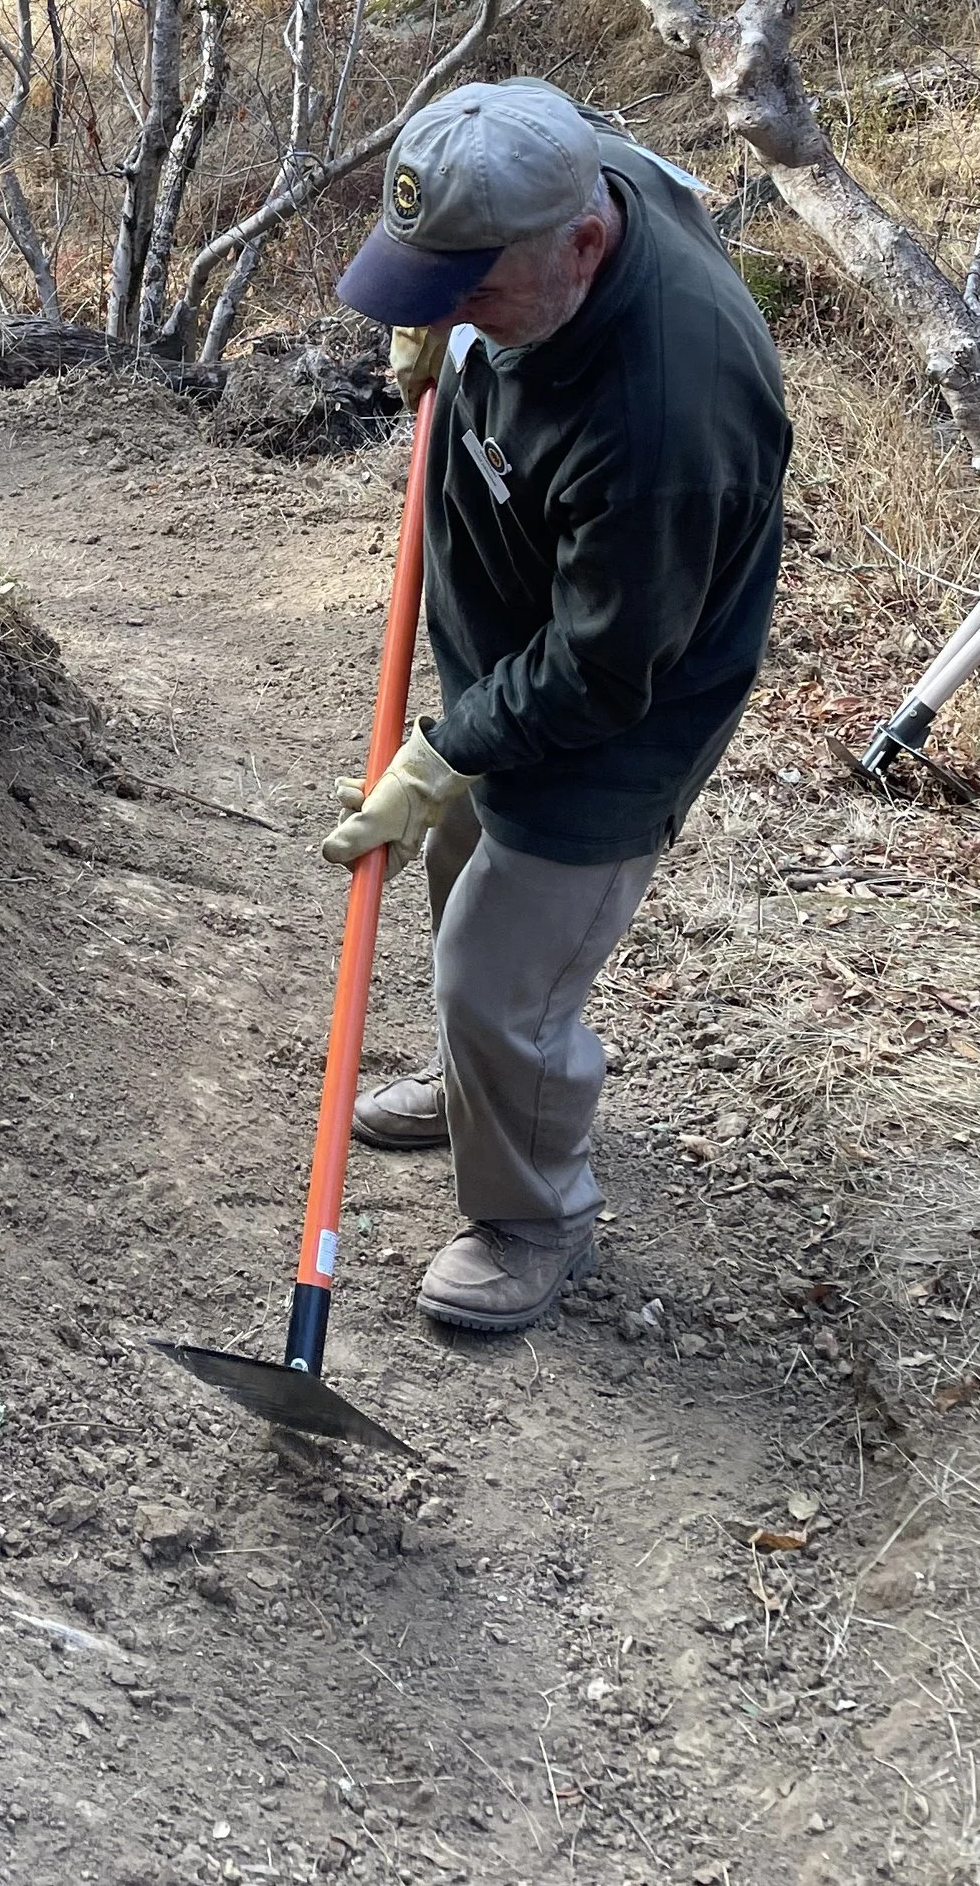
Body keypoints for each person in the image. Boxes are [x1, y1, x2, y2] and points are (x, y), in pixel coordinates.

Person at [326, 78, 792, 1336]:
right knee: (455, 868)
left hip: (612, 722)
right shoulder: (564, 188)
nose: (445, 309)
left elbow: (602, 670)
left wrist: (441, 750)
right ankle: (482, 1086)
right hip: (512, 652)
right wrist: (445, 322)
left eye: (466, 289)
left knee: (498, 971)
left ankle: (535, 1215)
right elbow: (557, 159)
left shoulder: (667, 412)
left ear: (583, 244)